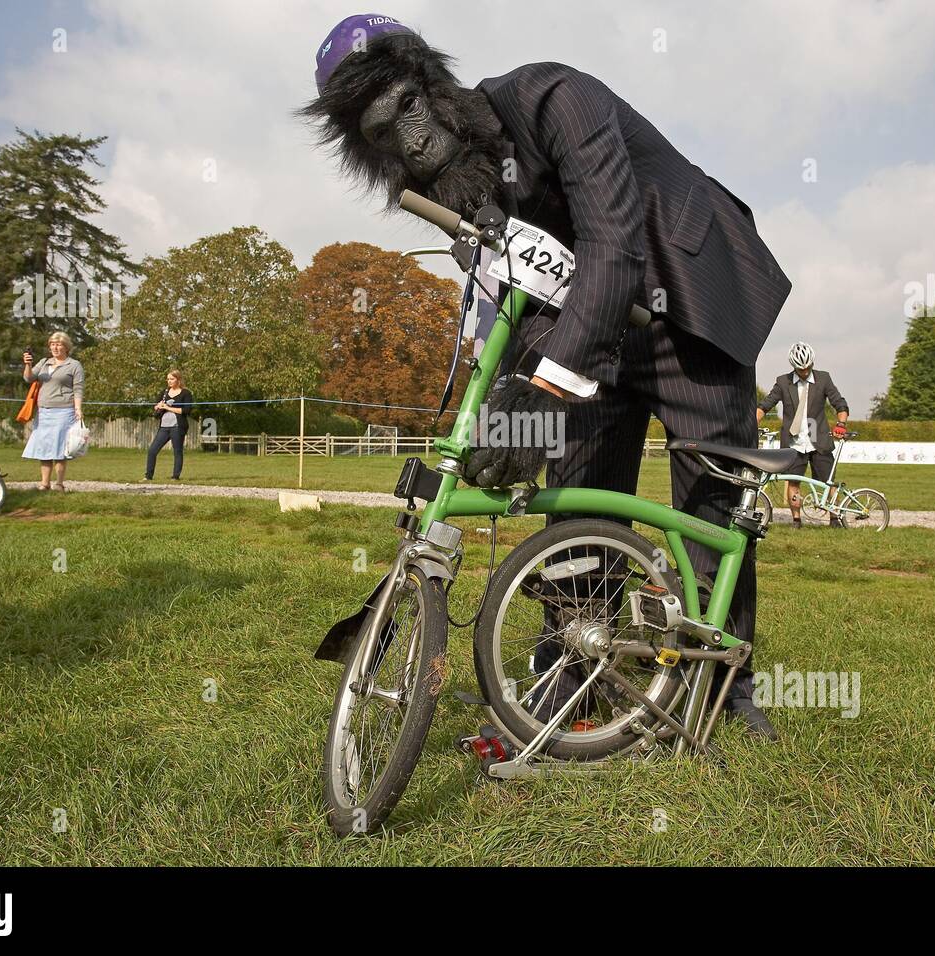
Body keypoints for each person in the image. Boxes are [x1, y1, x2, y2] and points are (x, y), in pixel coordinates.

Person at [303, 16, 792, 737]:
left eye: (408, 107)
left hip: (685, 292)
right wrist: (509, 416)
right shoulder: (455, 192)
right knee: (577, 497)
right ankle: (577, 663)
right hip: (589, 333)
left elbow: (612, 245)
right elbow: (516, 302)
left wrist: (549, 385)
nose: (410, 142)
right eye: (382, 135)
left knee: (711, 499)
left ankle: (725, 683)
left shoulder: (555, 97)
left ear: (434, 85)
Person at [756, 342, 849, 527]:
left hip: (819, 438)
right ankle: (796, 520)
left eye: (807, 368)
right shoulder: (783, 382)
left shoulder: (824, 379)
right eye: (801, 369)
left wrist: (841, 423)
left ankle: (834, 518)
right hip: (793, 442)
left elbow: (839, 403)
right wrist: (753, 423)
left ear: (812, 364)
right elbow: (765, 405)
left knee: (827, 482)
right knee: (793, 482)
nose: (805, 372)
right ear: (794, 367)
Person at [21, 331, 84, 492]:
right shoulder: (44, 362)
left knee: (60, 449)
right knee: (44, 449)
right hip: (44, 412)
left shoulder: (74, 365)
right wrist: (27, 364)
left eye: (59, 344)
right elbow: (29, 378)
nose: (55, 347)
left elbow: (78, 388)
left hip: (64, 411)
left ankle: (59, 484)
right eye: (52, 344)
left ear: (66, 347)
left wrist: (78, 409)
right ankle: (44, 483)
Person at [144, 370, 194, 481]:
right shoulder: (164, 392)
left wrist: (168, 407)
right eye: (168, 379)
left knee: (177, 451)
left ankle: (175, 477)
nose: (169, 381)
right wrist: (158, 406)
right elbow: (157, 405)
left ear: (178, 379)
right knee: (152, 450)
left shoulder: (186, 393)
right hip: (164, 427)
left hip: (177, 427)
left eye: (172, 379)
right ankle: (148, 476)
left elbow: (186, 410)